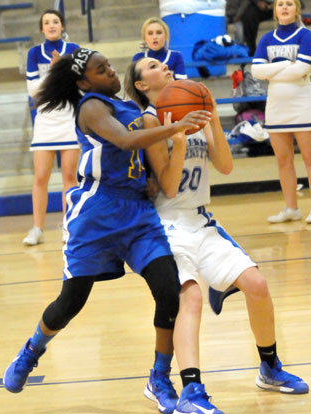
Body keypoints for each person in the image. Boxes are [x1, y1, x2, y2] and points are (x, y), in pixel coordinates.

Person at [2, 48, 209, 413]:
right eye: (102, 70)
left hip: (136, 212)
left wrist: (147, 176)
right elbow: (125, 141)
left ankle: (159, 377)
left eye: (110, 66)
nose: (111, 73)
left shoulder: (131, 107)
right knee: (71, 302)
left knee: (167, 290)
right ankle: (31, 350)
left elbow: (140, 152)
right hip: (96, 212)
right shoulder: (91, 107)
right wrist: (178, 125)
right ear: (84, 82)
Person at [125, 57, 309, 414]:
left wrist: (210, 117)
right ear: (142, 84)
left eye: (163, 63)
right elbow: (168, 186)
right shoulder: (150, 119)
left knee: (257, 285)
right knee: (189, 298)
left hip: (201, 219)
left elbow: (225, 166)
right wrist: (178, 141)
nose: (163, 66)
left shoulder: (193, 104)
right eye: (151, 65)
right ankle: (191, 391)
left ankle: (269, 367)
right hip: (165, 224)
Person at [23, 9, 80, 245]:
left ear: (62, 26)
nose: (51, 25)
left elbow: (78, 84)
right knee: (41, 178)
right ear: (41, 29)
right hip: (45, 121)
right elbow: (33, 91)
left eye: (55, 21)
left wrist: (58, 72)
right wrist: (56, 72)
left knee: (70, 176)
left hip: (68, 118)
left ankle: (70, 228)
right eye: (46, 22)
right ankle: (37, 228)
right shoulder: (34, 53)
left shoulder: (74, 49)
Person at [251, 0, 311, 223]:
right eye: (280, 4)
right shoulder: (267, 38)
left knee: (309, 159)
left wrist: (272, 70)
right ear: (275, 10)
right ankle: (291, 208)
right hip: (276, 105)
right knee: (283, 161)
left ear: (296, 8)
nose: (284, 7)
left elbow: (302, 69)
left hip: (303, 103)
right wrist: (287, 65)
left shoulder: (306, 36)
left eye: (289, 3)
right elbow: (256, 70)